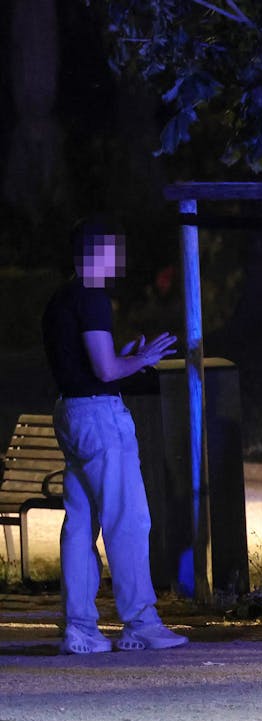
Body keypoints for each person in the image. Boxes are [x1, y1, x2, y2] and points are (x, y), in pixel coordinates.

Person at [44, 218, 188, 654]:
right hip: (100, 418)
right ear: (96, 253)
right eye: (114, 250)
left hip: (71, 411)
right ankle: (141, 622)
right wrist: (141, 357)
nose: (119, 259)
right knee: (128, 520)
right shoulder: (93, 298)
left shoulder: (61, 299)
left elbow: (89, 365)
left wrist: (125, 358)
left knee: (80, 523)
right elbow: (106, 371)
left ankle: (79, 628)